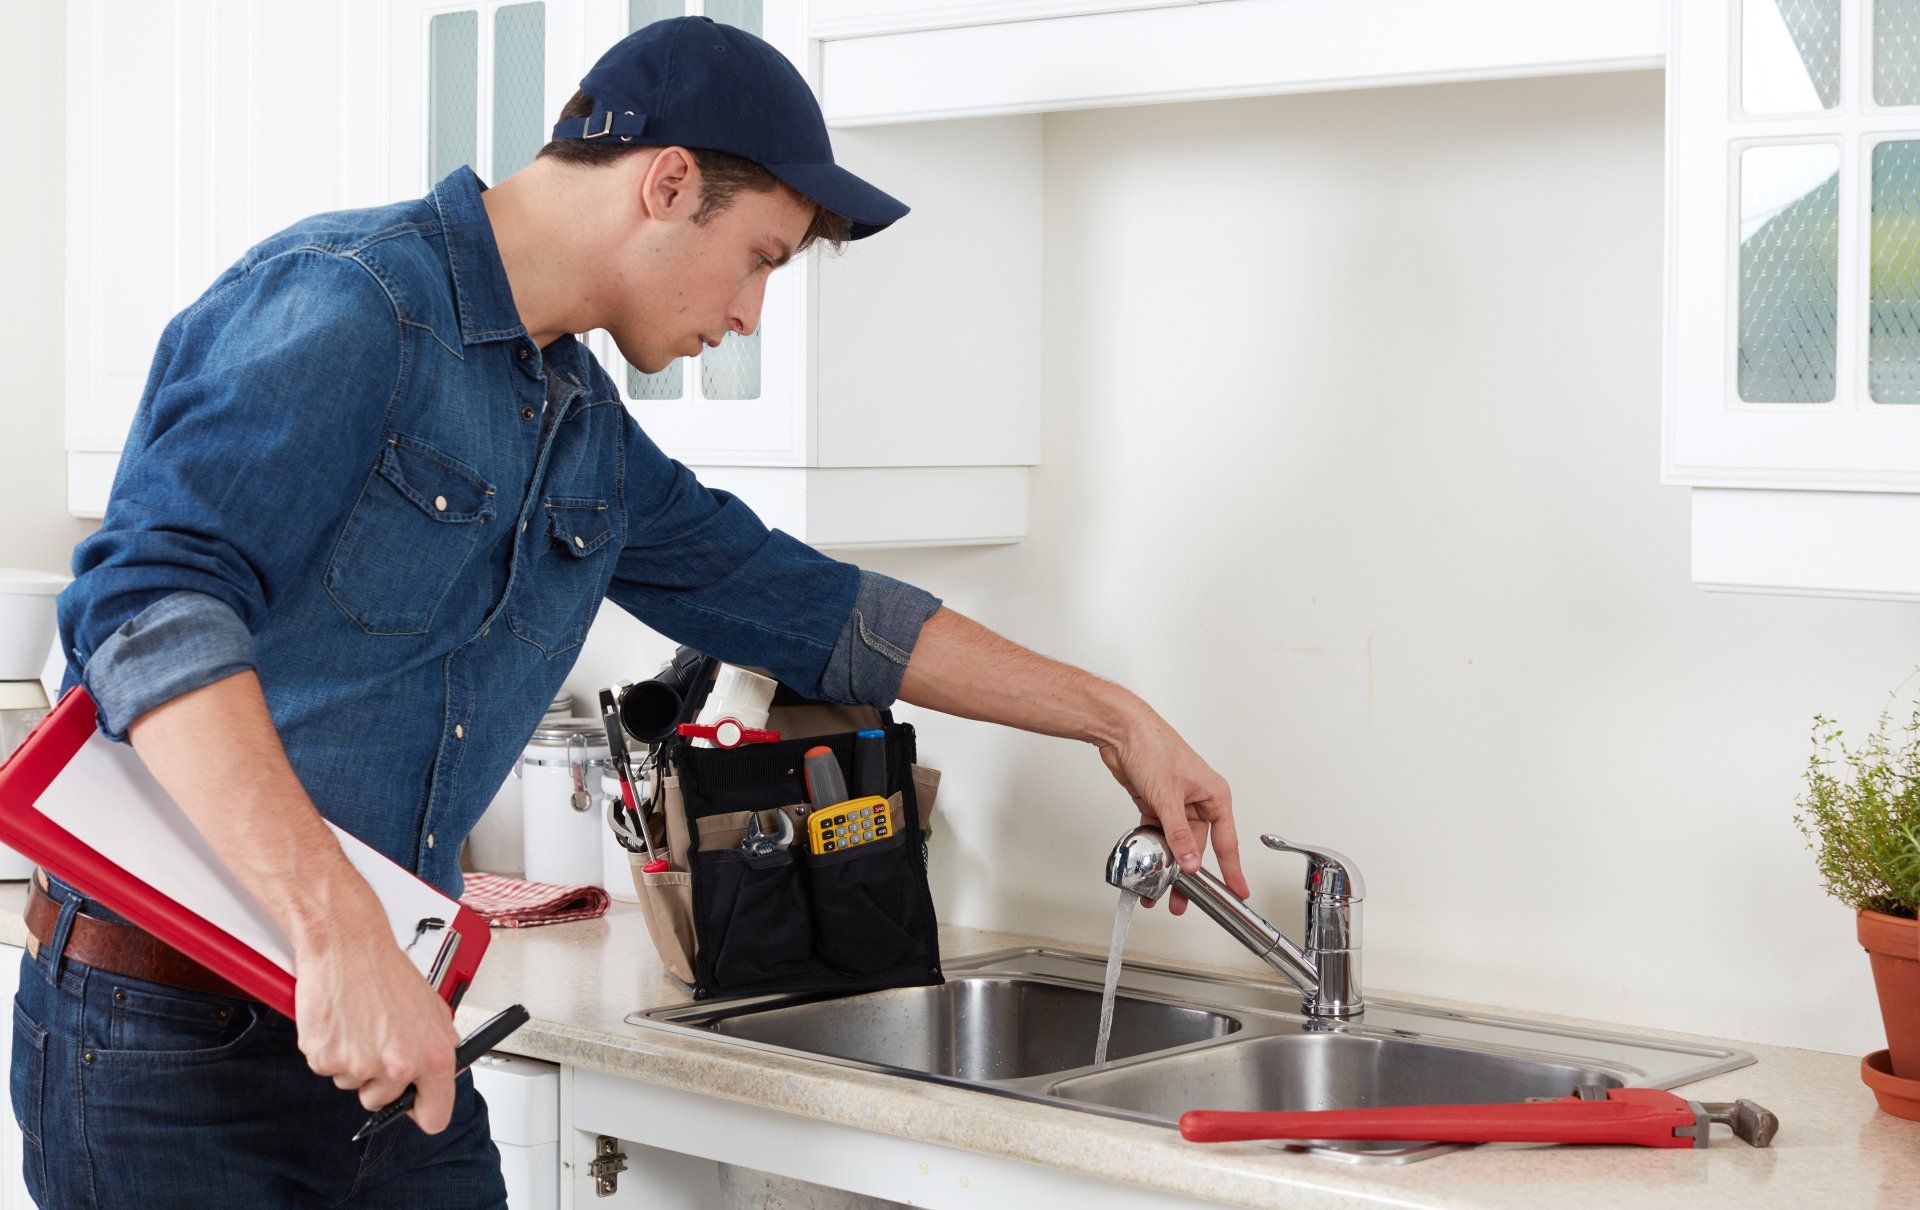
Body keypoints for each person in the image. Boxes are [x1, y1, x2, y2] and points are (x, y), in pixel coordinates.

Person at [12, 16, 1245, 1207]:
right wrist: (336, 930)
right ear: (665, 184)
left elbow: (822, 611)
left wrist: (1115, 718)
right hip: (165, 1034)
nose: (753, 312)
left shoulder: (582, 431)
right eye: (762, 256)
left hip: (392, 1021)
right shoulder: (352, 306)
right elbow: (143, 603)